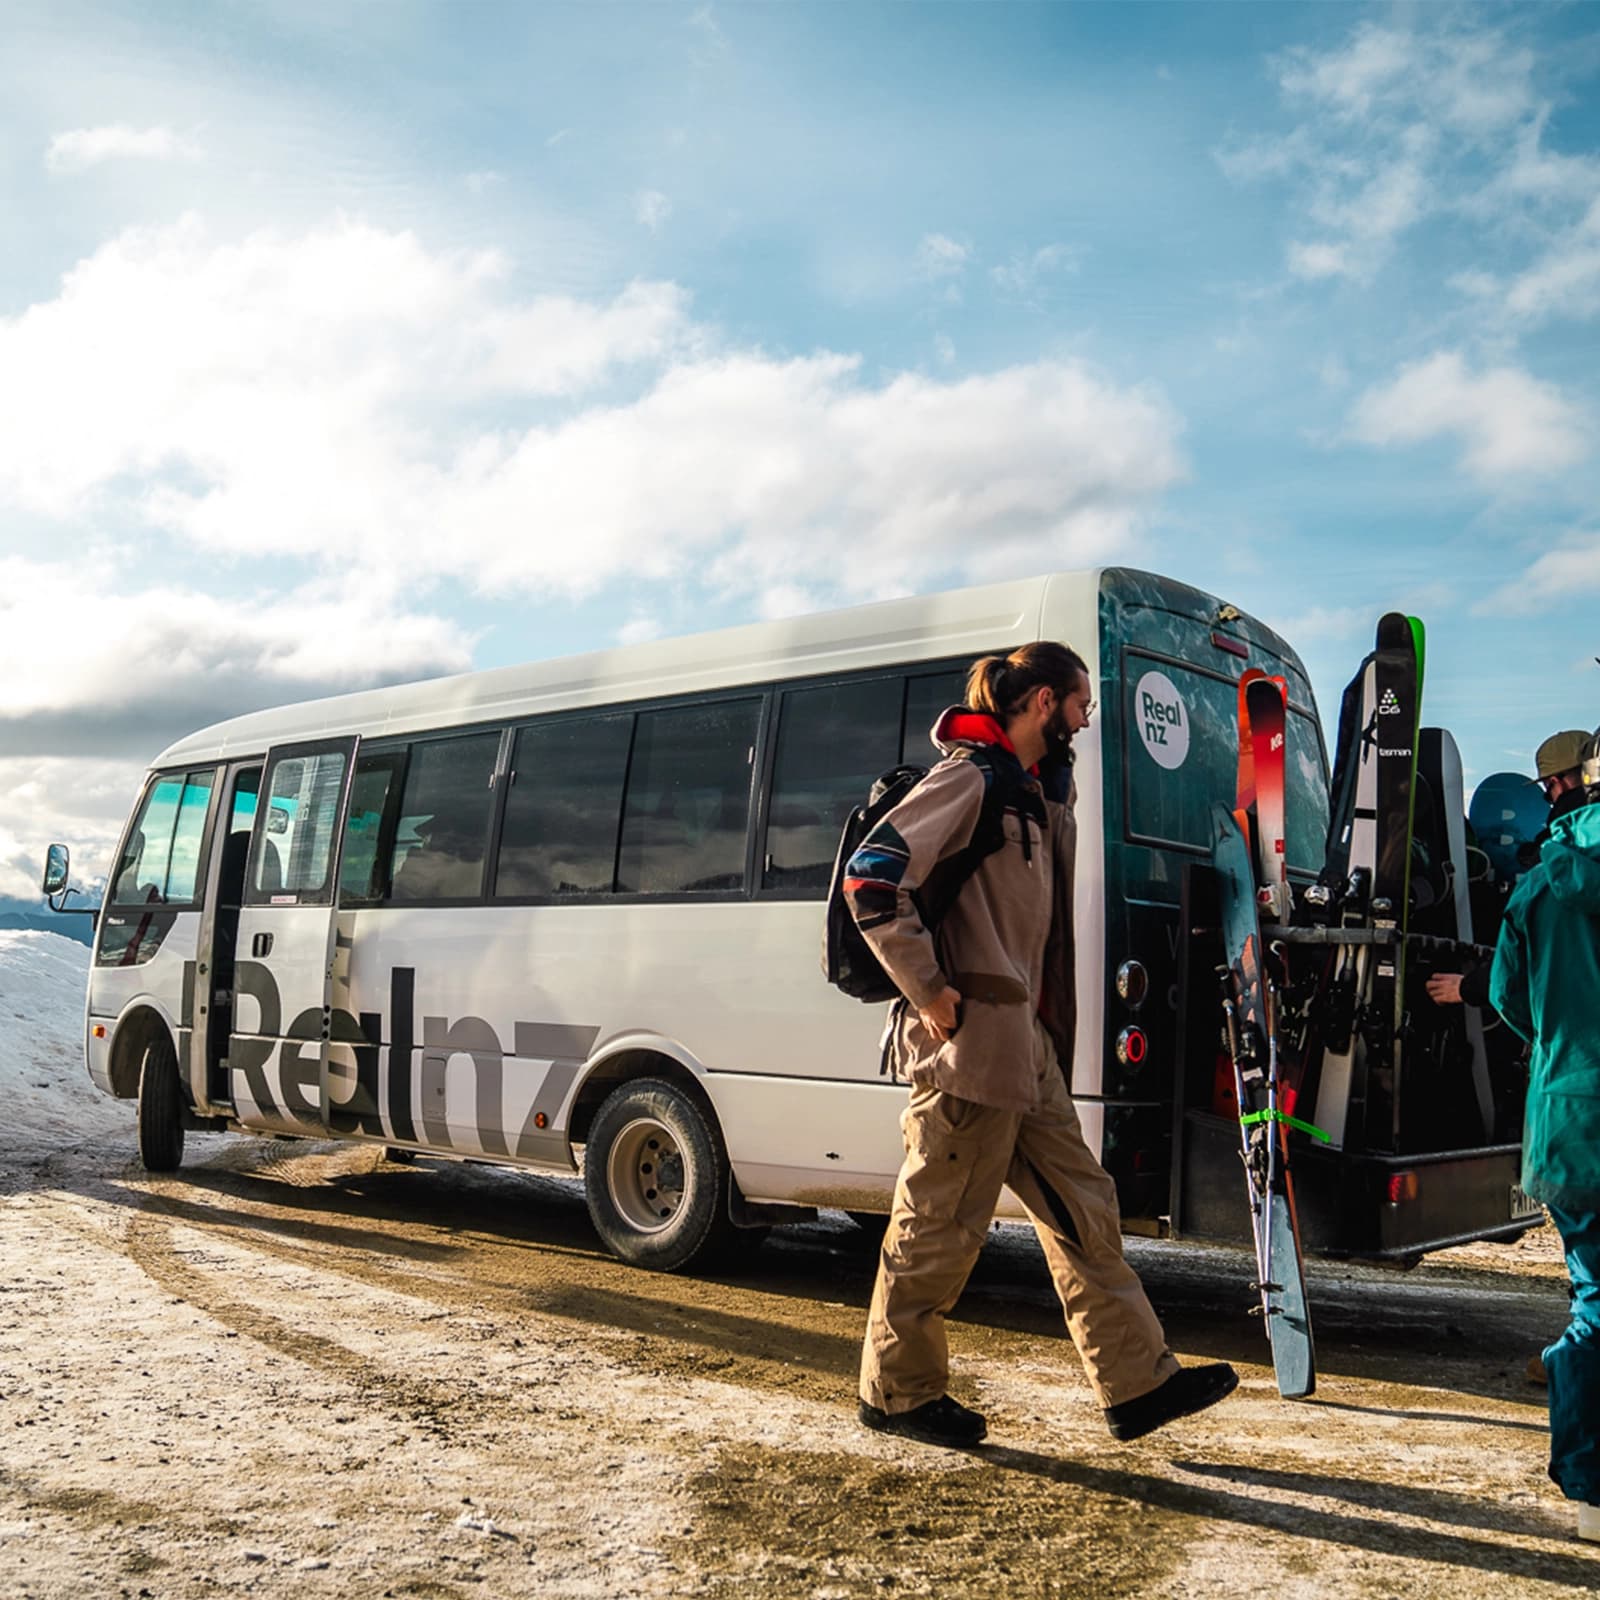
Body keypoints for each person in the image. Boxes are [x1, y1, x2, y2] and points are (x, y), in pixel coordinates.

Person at [845, 641, 1237, 1448]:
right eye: (1082, 702)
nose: (1089, 717)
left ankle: (1138, 1385)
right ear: (1043, 701)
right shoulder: (970, 778)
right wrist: (929, 991)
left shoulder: (1032, 791)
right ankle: (898, 1394)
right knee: (938, 1228)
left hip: (1026, 1053)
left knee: (1086, 1211)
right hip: (967, 1055)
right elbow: (872, 878)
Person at [1489, 745, 1600, 1543]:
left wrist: (1563, 1050)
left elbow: (1508, 1001)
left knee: (1593, 1295)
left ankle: (1585, 1470)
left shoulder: (1532, 885)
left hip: (1566, 1119)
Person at [1428, 728, 1592, 1009]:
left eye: (1547, 792)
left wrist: (1467, 987)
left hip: (1574, 1035)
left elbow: (1523, 955)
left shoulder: (1551, 867)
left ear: (1558, 783)